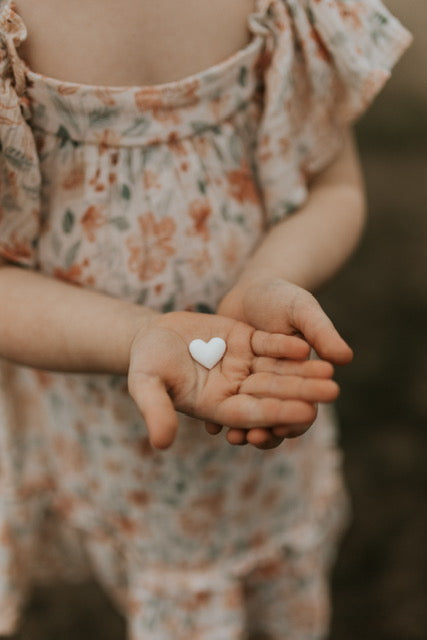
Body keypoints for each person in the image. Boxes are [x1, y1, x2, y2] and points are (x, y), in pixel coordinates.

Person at [0, 0, 412, 637]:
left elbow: (337, 188)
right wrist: (134, 334)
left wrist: (265, 278)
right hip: (96, 427)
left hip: (256, 389)